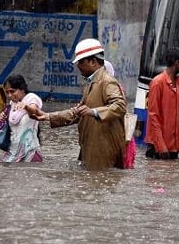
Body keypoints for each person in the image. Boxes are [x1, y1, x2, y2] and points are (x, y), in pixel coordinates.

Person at [28, 38, 127, 170]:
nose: (78, 66)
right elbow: (77, 112)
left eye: (81, 62)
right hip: (91, 149)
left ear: (93, 62)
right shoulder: (90, 83)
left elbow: (120, 106)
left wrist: (94, 112)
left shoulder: (107, 81)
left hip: (104, 151)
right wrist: (47, 116)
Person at [144, 48, 179, 159]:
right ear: (176, 62)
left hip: (173, 146)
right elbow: (153, 116)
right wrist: (161, 146)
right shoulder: (157, 83)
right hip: (158, 147)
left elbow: (175, 118)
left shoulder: (177, 83)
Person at [0, 74, 43, 162]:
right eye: (7, 92)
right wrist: (3, 116)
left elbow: (35, 110)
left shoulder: (32, 98)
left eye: (12, 91)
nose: (9, 95)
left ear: (22, 89)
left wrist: (26, 107)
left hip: (30, 153)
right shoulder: (13, 104)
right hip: (12, 152)